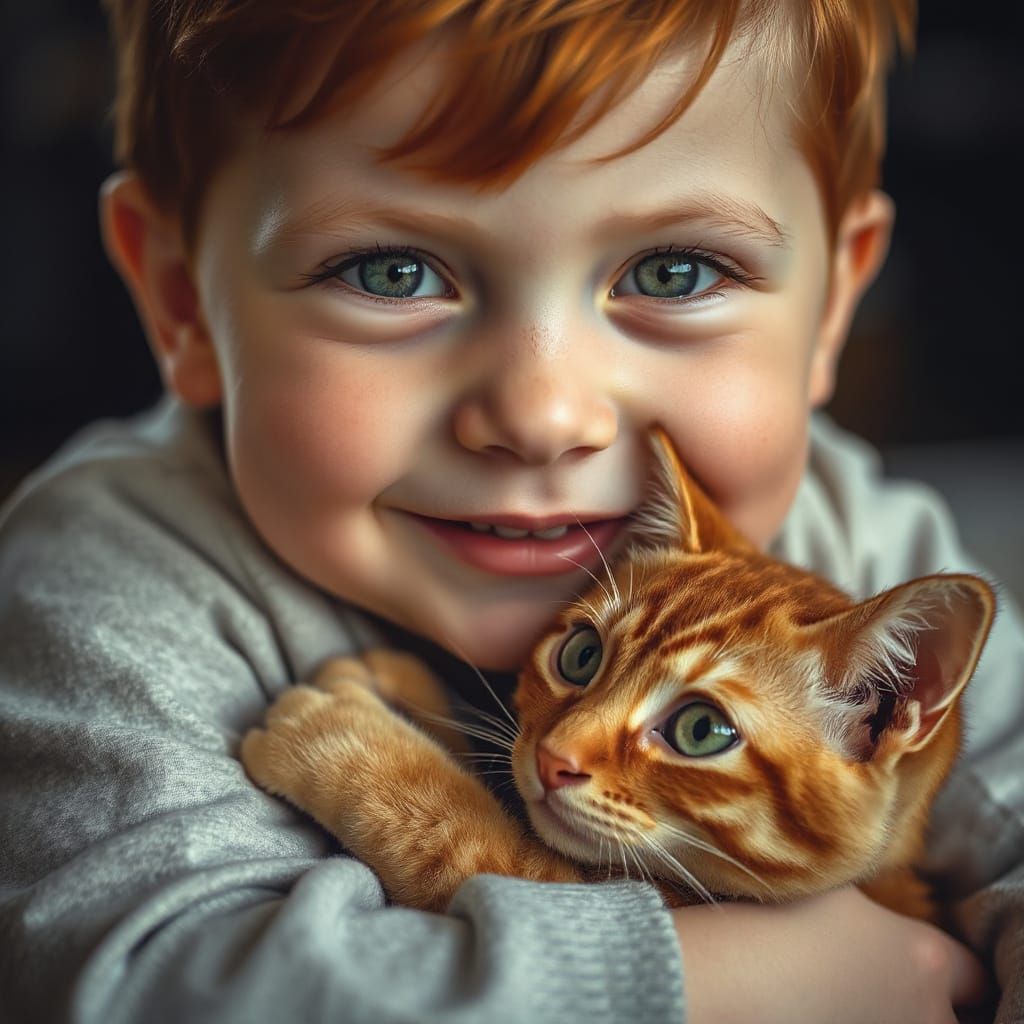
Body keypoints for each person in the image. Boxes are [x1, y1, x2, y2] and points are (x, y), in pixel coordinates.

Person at [0, 1, 1020, 1021]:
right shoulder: (105, 584)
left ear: (831, 305)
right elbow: (154, 987)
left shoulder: (846, 534)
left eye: (674, 271)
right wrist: (771, 977)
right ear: (181, 303)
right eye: (392, 271)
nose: (544, 416)